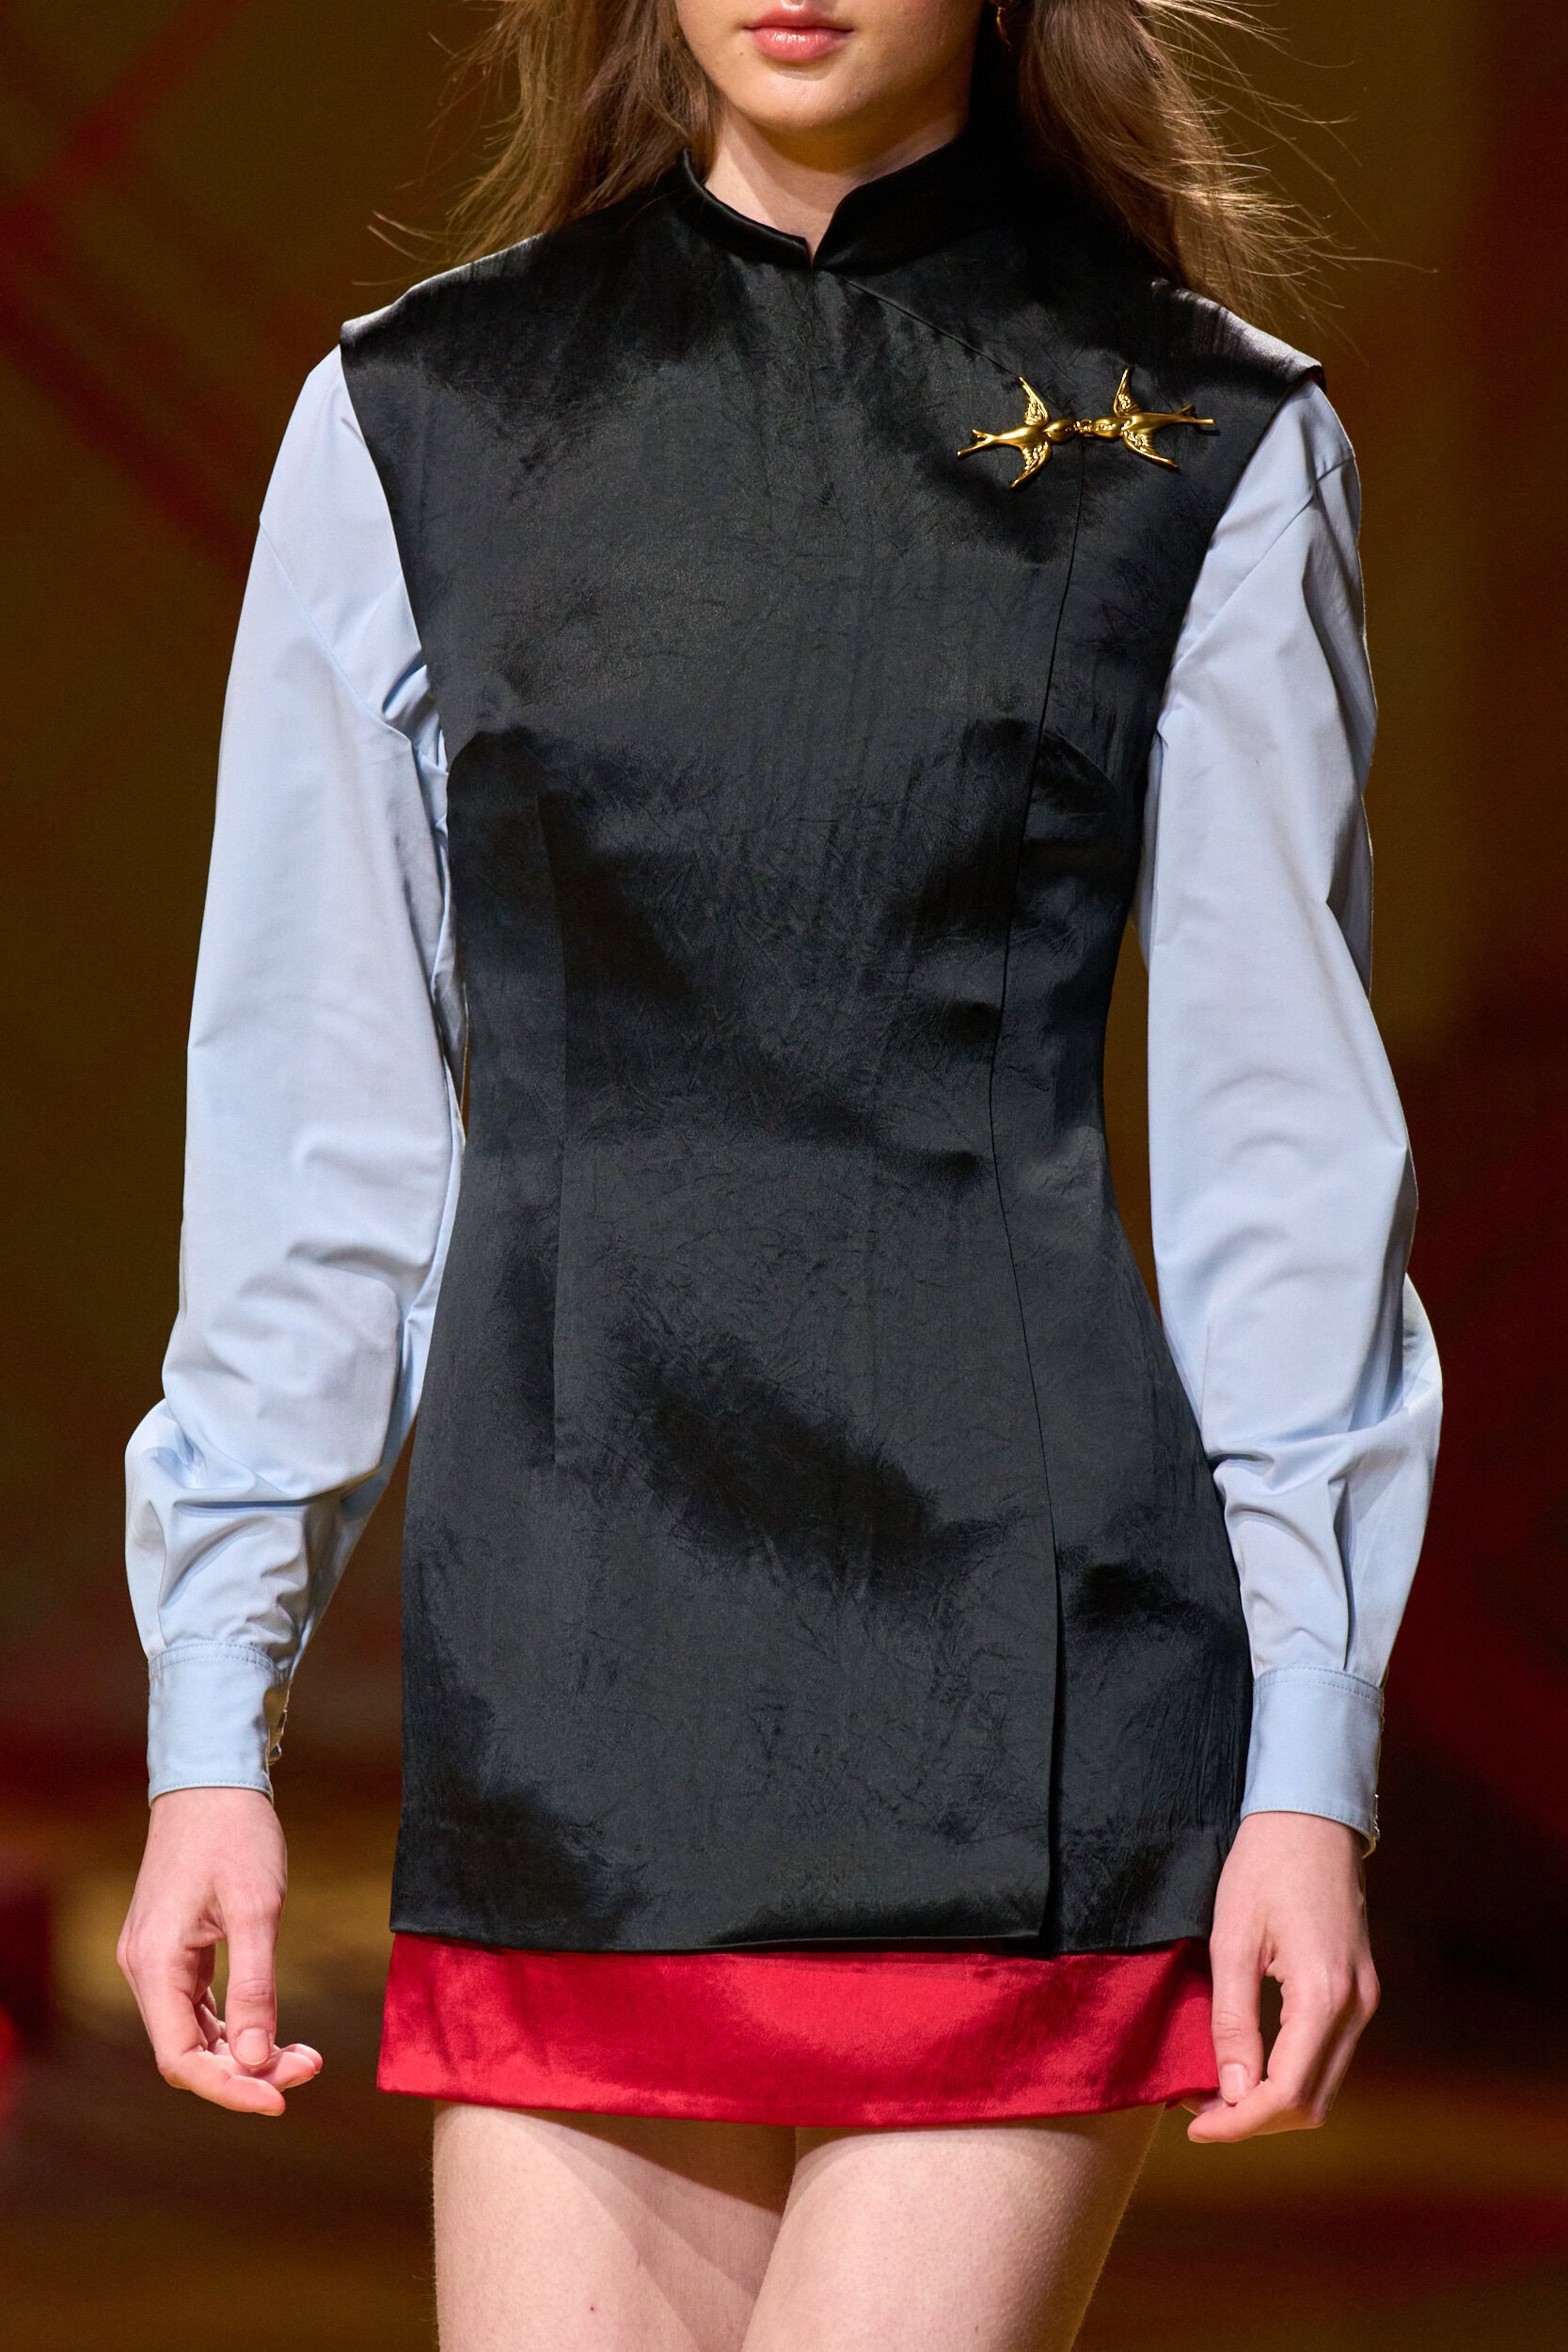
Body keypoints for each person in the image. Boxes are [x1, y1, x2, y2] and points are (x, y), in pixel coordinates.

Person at [117, 2, 1441, 2344]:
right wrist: (210, 1724)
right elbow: (323, 1143)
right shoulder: (423, 418)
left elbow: (1285, 1160)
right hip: (575, 1674)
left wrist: (1308, 1767)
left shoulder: (1206, 433)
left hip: (1031, 1691)